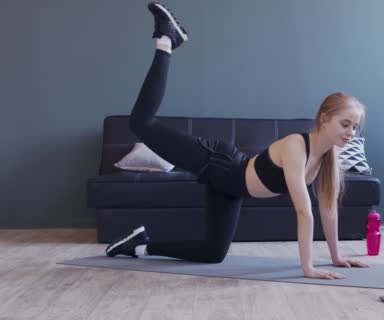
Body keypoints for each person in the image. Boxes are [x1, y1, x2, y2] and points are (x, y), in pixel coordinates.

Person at [105, 2, 369, 280]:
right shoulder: (296, 147)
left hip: (231, 188)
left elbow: (328, 211)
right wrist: (308, 268)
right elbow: (304, 213)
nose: (351, 132)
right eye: (345, 124)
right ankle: (166, 41)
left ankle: (138, 247)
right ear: (324, 118)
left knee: (213, 253)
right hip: (219, 163)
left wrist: (337, 257)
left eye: (355, 126)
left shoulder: (327, 160)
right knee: (141, 123)